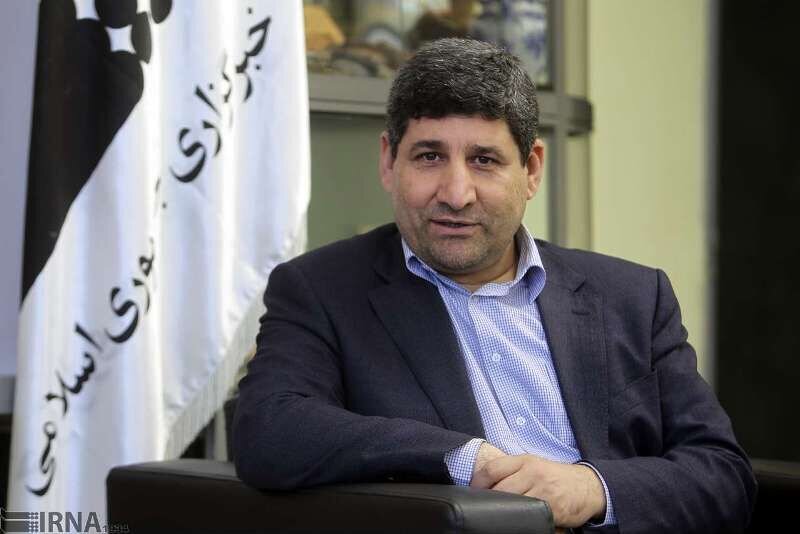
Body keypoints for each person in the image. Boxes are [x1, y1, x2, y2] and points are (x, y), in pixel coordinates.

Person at [233, 38, 756, 533]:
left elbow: (723, 477)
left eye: (484, 161)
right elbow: (269, 430)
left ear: (531, 170)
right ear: (389, 162)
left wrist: (592, 489)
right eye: (429, 157)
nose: (456, 194)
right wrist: (462, 457)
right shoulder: (322, 290)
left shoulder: (633, 298)